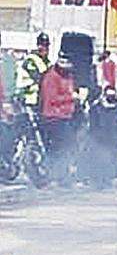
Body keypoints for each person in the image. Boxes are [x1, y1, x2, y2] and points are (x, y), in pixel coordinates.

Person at [39, 52, 77, 186]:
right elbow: (51, 98)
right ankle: (57, 174)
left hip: (66, 115)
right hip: (53, 117)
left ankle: (62, 173)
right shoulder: (51, 77)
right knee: (60, 147)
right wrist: (72, 97)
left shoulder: (68, 76)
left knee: (68, 145)